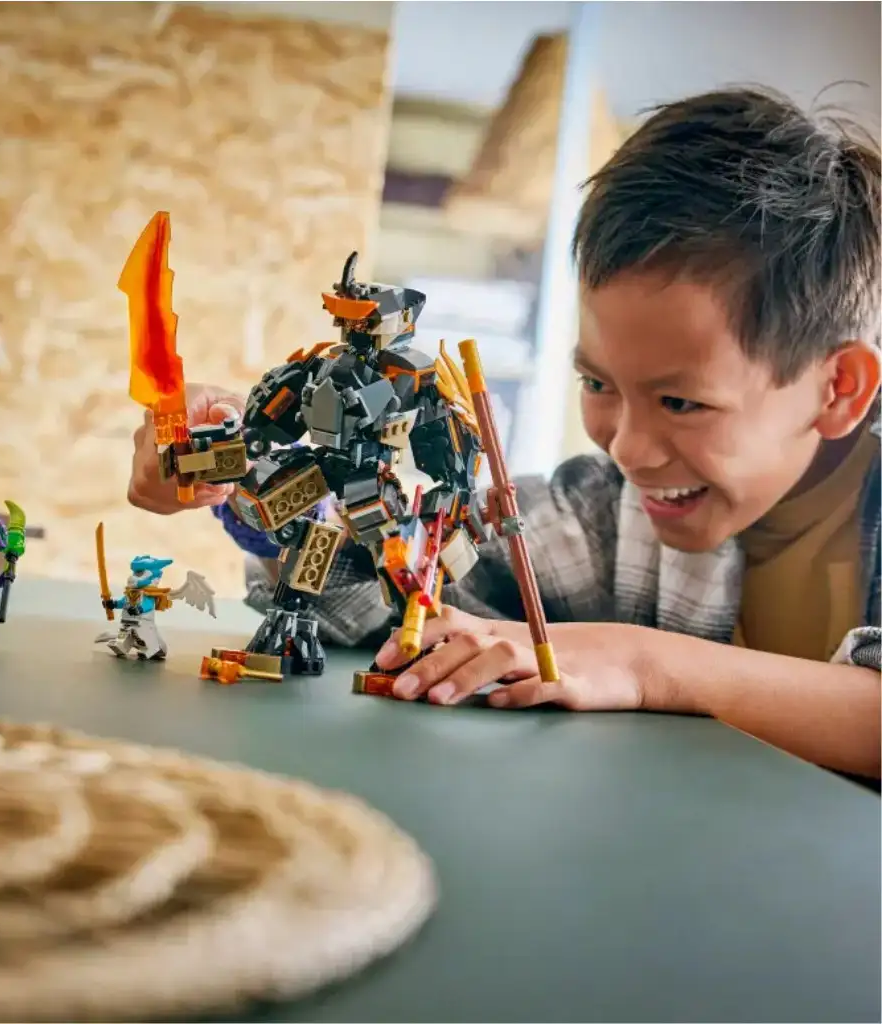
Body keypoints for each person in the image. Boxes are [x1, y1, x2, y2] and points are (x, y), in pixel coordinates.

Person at [128, 87, 881, 781]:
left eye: (681, 403)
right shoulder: (605, 515)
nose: (626, 448)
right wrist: (245, 471)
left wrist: (639, 662)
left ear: (839, 388)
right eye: (597, 385)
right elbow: (387, 596)